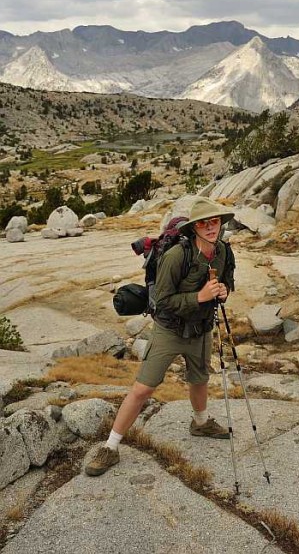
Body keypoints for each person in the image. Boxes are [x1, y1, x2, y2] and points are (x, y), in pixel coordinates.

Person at [85, 196, 235, 476]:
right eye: (204, 222)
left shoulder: (224, 251)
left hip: (200, 328)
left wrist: (223, 291)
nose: (211, 227)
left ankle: (200, 423)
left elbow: (227, 282)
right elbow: (162, 301)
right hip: (169, 329)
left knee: (199, 379)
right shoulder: (177, 256)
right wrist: (199, 296)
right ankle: (110, 447)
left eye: (215, 221)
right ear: (194, 227)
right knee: (143, 388)